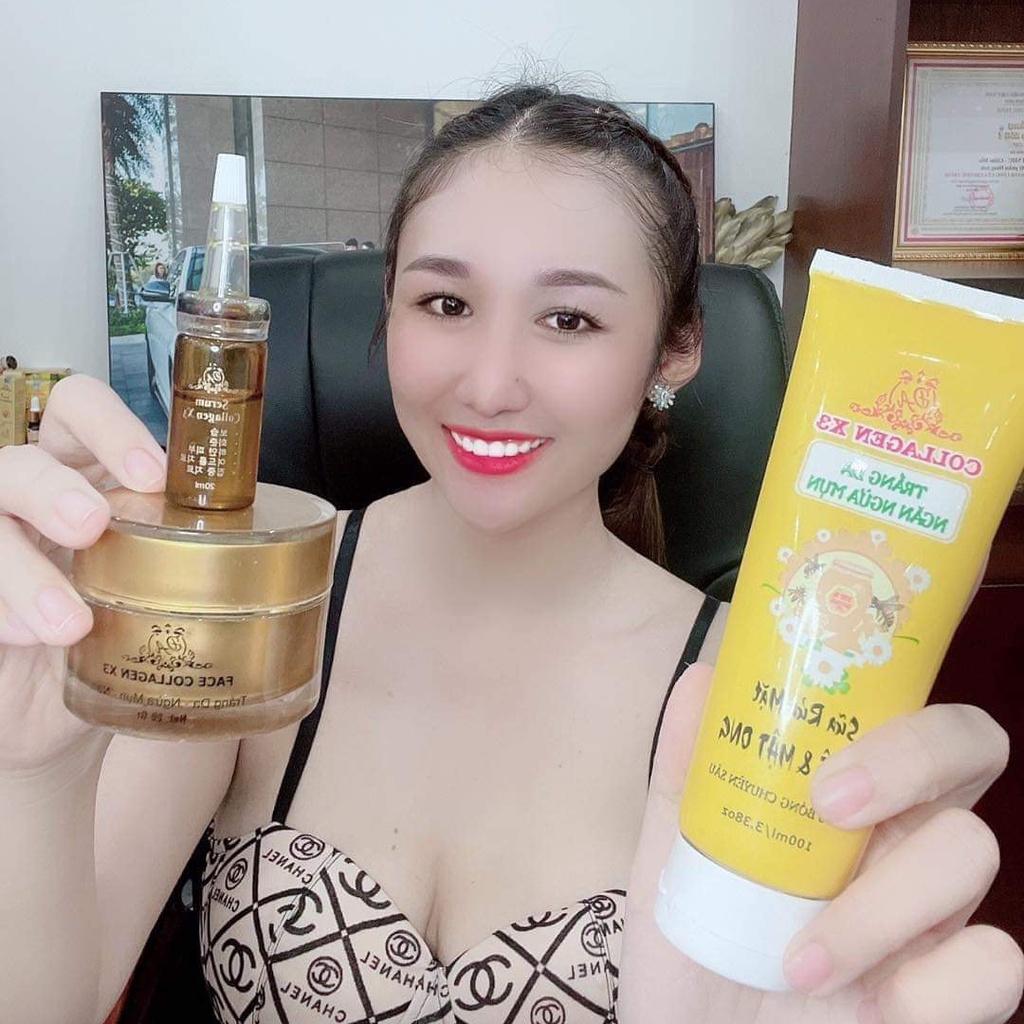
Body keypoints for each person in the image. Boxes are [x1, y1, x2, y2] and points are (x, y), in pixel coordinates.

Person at [1, 83, 1020, 1024]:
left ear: (675, 348)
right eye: (445, 304)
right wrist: (32, 768)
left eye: (569, 318)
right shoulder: (262, 593)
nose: (490, 385)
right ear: (389, 308)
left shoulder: (760, 696)